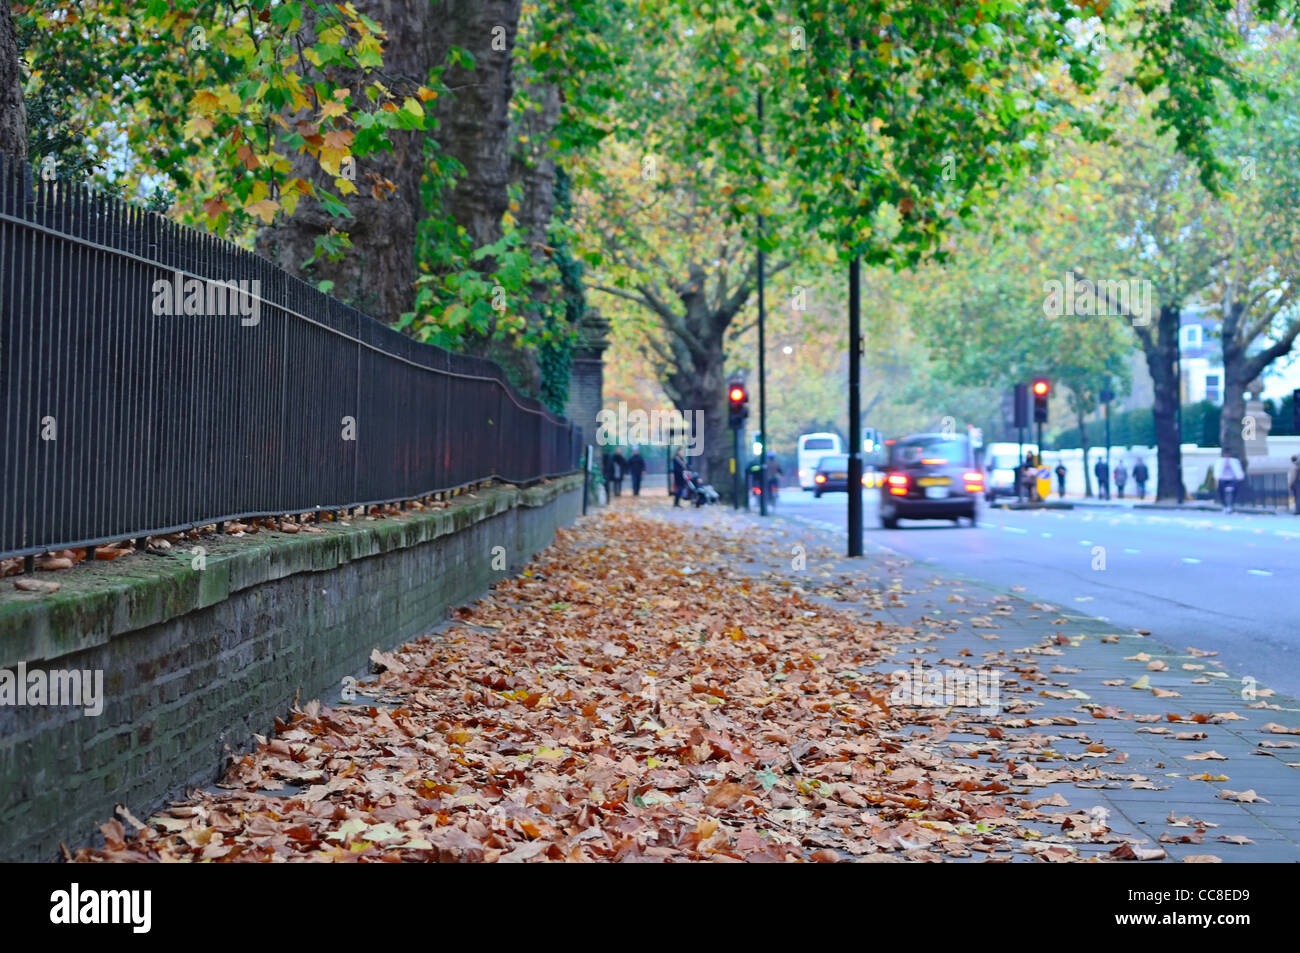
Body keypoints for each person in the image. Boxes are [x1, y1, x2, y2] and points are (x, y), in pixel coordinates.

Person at [1216, 449, 1245, 513]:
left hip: (1232, 479)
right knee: (1221, 489)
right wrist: (1217, 477)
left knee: (1235, 488)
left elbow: (1238, 470)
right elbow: (1217, 471)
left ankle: (1232, 503)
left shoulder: (1234, 461)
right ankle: (1224, 504)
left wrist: (1239, 476)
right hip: (1223, 479)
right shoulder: (1220, 461)